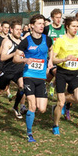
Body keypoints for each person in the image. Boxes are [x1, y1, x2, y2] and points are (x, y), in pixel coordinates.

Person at [13, 14, 53, 143]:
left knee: (42, 108)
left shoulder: (47, 39)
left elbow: (51, 50)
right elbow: (15, 58)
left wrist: (50, 61)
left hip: (41, 77)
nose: (42, 26)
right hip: (29, 75)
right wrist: (25, 59)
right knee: (33, 106)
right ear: (32, 26)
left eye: (43, 24)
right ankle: (29, 133)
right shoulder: (26, 41)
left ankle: (22, 93)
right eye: (39, 24)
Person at [51, 17, 78, 135]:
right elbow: (53, 60)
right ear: (67, 27)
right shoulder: (60, 41)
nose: (76, 29)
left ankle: (60, 101)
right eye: (73, 26)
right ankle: (55, 125)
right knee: (61, 104)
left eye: (77, 26)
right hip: (62, 73)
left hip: (74, 73)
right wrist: (64, 59)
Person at [0, 20, 25, 118]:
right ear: (11, 30)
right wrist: (14, 53)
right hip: (8, 71)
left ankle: (16, 107)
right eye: (17, 29)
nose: (19, 31)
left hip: (19, 70)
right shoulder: (7, 41)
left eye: (20, 29)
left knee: (22, 86)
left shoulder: (22, 41)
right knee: (0, 91)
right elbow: (2, 57)